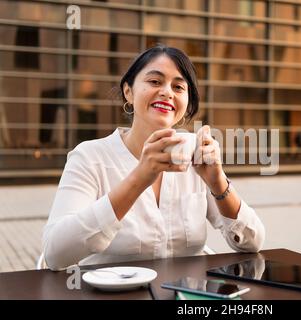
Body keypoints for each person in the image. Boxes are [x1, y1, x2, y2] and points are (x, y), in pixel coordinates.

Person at [42, 45, 265, 270]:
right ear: (128, 91)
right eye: (155, 82)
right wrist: (139, 177)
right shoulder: (90, 157)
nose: (167, 92)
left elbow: (252, 243)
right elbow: (55, 254)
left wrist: (217, 181)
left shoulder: (193, 155)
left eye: (178, 87)